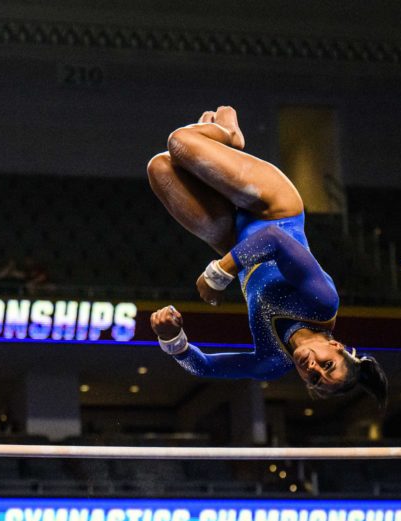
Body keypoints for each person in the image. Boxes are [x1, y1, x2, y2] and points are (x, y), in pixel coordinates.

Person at [147, 106, 387, 407]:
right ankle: (230, 138)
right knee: (179, 143)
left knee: (160, 169)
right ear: (337, 346)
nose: (312, 368)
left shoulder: (272, 362)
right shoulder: (322, 301)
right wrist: (218, 275)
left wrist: (172, 339)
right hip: (274, 208)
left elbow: (205, 366)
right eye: (326, 366)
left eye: (314, 379)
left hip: (233, 240)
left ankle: (213, 145)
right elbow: (275, 240)